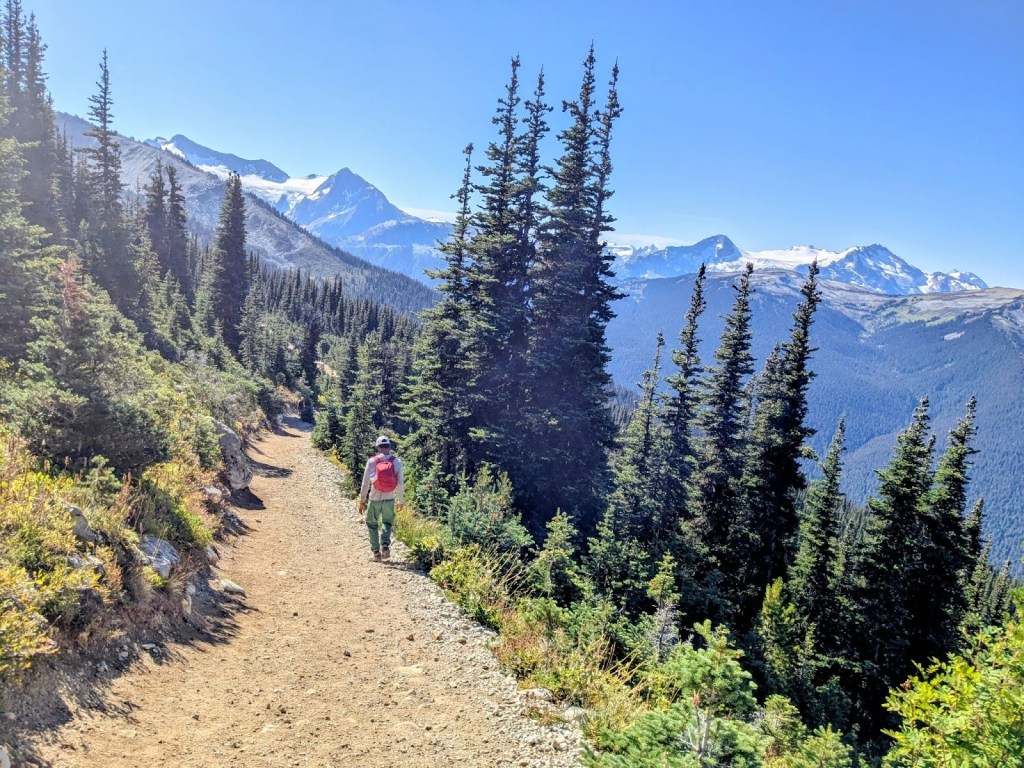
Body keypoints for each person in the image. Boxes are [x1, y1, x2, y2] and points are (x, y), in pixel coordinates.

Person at [357, 435, 404, 562]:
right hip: (389, 497)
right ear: (389, 447)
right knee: (387, 522)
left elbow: (365, 483)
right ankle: (385, 545)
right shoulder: (397, 462)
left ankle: (376, 552)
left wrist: (362, 500)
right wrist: (400, 500)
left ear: (377, 447)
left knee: (372, 523)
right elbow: (400, 484)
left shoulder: (372, 461)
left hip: (375, 498)